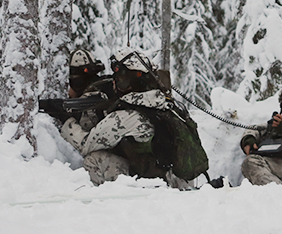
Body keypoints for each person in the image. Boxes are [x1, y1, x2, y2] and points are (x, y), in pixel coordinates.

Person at [60, 47, 203, 189]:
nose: (113, 82)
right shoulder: (161, 102)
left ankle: (123, 197)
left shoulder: (124, 117)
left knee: (93, 160)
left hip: (159, 184)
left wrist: (66, 121)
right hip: (179, 178)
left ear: (126, 83)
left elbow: (86, 145)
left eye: (117, 78)